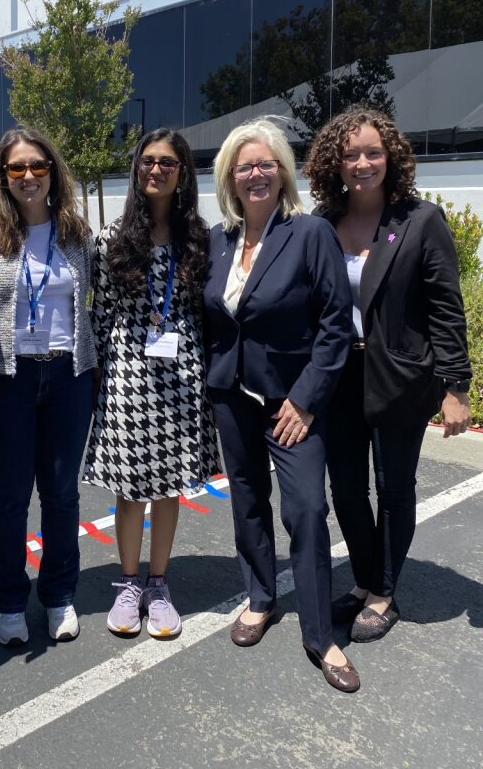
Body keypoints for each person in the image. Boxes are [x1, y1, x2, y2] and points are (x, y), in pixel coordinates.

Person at [203, 118, 360, 692]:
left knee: (306, 511)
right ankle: (261, 596)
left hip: (293, 403)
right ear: (229, 177)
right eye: (244, 166)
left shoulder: (310, 233)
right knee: (247, 501)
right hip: (232, 397)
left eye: (266, 163)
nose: (255, 174)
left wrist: (307, 399)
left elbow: (336, 326)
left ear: (283, 172)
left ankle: (322, 635)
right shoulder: (219, 239)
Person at [305, 106, 472, 642]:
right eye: (350, 154)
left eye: (372, 152)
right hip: (339, 375)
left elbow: (446, 307)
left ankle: (382, 592)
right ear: (335, 162)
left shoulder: (419, 221)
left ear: (391, 156)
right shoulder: (322, 224)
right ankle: (362, 579)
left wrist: (455, 387)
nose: (362, 163)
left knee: (393, 487)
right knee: (348, 489)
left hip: (399, 375)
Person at [84, 128, 220, 639]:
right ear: (136, 169)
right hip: (127, 376)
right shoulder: (111, 238)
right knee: (130, 487)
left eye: (167, 162)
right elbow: (102, 317)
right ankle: (127, 582)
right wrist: (99, 379)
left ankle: (158, 583)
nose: (156, 169)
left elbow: (205, 312)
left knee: (168, 488)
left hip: (183, 377)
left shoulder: (199, 239)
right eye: (147, 161)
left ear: (182, 172)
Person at [0, 127, 95, 647]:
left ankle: (59, 594)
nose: (27, 177)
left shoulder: (76, 234)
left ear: (52, 171)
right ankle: (10, 601)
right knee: (11, 496)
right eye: (15, 168)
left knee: (62, 496)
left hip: (67, 376)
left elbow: (98, 302)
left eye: (37, 166)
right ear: (3, 176)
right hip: (6, 381)